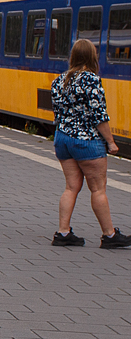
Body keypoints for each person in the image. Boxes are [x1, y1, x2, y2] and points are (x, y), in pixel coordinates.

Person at [51, 38, 131, 248]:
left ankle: (63, 232)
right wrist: (111, 142)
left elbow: (57, 114)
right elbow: (99, 116)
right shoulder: (91, 80)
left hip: (62, 139)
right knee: (98, 189)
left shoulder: (59, 80)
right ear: (91, 57)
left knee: (71, 187)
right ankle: (110, 235)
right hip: (86, 141)